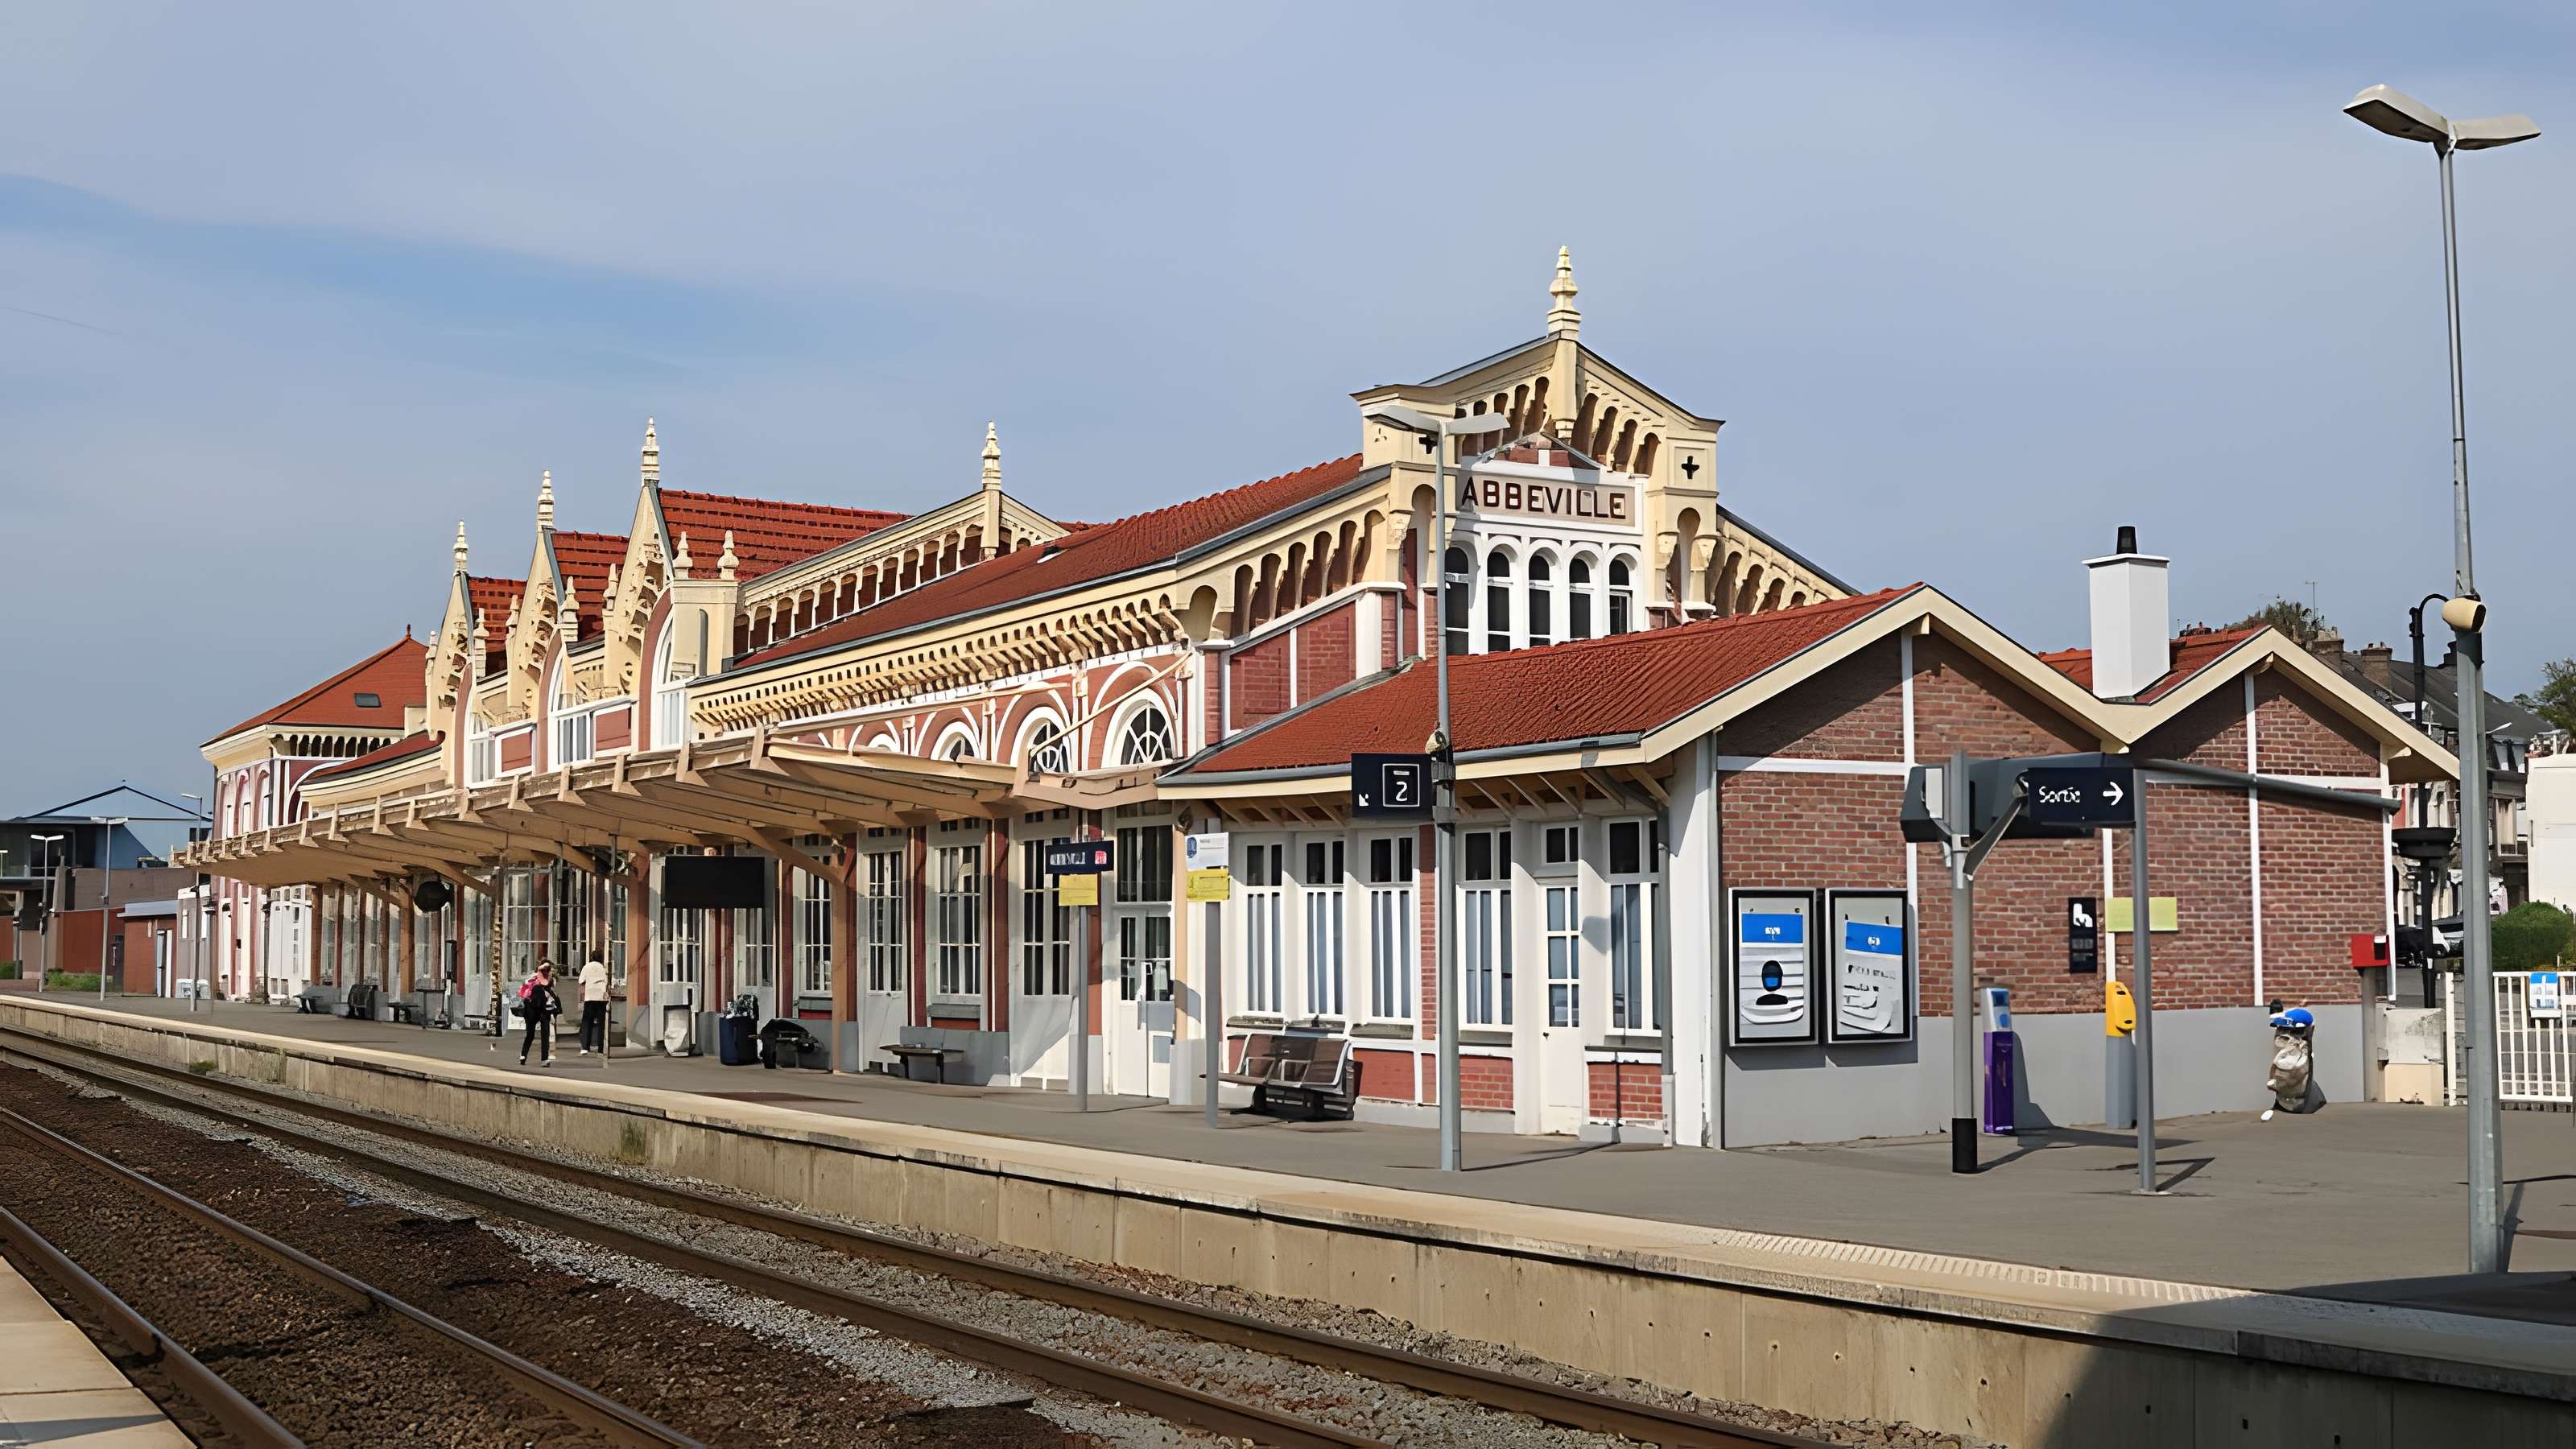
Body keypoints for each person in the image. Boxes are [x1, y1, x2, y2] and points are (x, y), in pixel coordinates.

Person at [518, 961, 561, 1067]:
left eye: (548, 969)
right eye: (544, 969)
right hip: (533, 1009)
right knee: (531, 1034)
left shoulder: (550, 980)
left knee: (544, 1034)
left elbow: (552, 992)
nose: (546, 971)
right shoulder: (533, 979)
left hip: (543, 1009)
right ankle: (524, 1055)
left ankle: (544, 1059)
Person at [577, 952, 610, 1055]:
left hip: (590, 997)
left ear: (591, 958)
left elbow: (581, 981)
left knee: (587, 1022)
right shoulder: (603, 968)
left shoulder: (587, 967)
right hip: (601, 997)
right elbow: (606, 982)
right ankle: (601, 1048)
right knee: (601, 1023)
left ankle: (585, 1047)